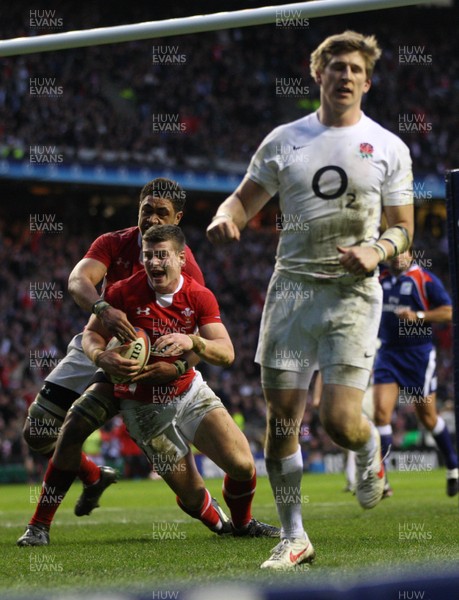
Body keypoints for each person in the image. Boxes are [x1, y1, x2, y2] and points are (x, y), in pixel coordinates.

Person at [206, 30, 414, 570]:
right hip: (292, 289)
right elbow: (241, 201)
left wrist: (377, 250)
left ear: (367, 81)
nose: (344, 76)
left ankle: (370, 452)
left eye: (354, 69)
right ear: (316, 73)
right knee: (281, 420)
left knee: (339, 422)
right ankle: (295, 535)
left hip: (351, 293)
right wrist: (226, 219)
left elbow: (404, 231)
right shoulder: (283, 140)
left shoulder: (390, 147)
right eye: (335, 66)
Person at [17, 225, 279, 546]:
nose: (153, 263)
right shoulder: (123, 292)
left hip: (189, 392)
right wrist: (100, 356)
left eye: (161, 255)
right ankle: (218, 522)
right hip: (144, 412)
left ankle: (242, 524)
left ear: (181, 259)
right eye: (148, 255)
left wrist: (192, 341)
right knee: (195, 499)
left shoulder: (198, 295)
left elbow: (226, 352)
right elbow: (91, 335)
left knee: (242, 465)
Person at [20, 178, 204, 524]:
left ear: (176, 219)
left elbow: (198, 328)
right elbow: (78, 280)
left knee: (185, 479)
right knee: (37, 431)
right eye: (145, 209)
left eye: (160, 213)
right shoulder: (114, 243)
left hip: (150, 356)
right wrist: (103, 309)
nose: (150, 218)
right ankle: (92, 475)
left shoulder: (185, 263)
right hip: (99, 338)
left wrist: (178, 367)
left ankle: (225, 518)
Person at [373, 248, 458, 497]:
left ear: (411, 254)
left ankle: (453, 465)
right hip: (388, 354)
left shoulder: (425, 279)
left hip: (418, 357)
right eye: (394, 253)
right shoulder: (381, 277)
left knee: (428, 418)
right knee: (380, 413)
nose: (397, 257)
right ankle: (383, 480)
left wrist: (418, 315)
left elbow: (449, 311)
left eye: (403, 252)